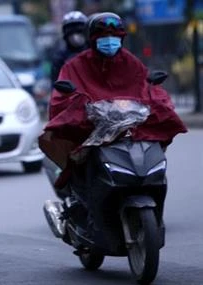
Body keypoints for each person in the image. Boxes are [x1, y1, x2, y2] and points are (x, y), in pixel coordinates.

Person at [39, 12, 187, 233]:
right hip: (93, 133)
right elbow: (62, 98)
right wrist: (82, 110)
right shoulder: (74, 66)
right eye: (103, 37)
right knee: (84, 162)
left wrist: (156, 102)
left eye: (115, 36)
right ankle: (87, 216)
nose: (110, 42)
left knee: (155, 161)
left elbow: (148, 88)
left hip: (130, 130)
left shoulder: (131, 62)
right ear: (92, 39)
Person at [50, 10, 89, 84]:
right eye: (71, 32)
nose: (75, 36)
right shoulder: (60, 57)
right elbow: (56, 84)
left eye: (79, 31)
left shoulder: (95, 52)